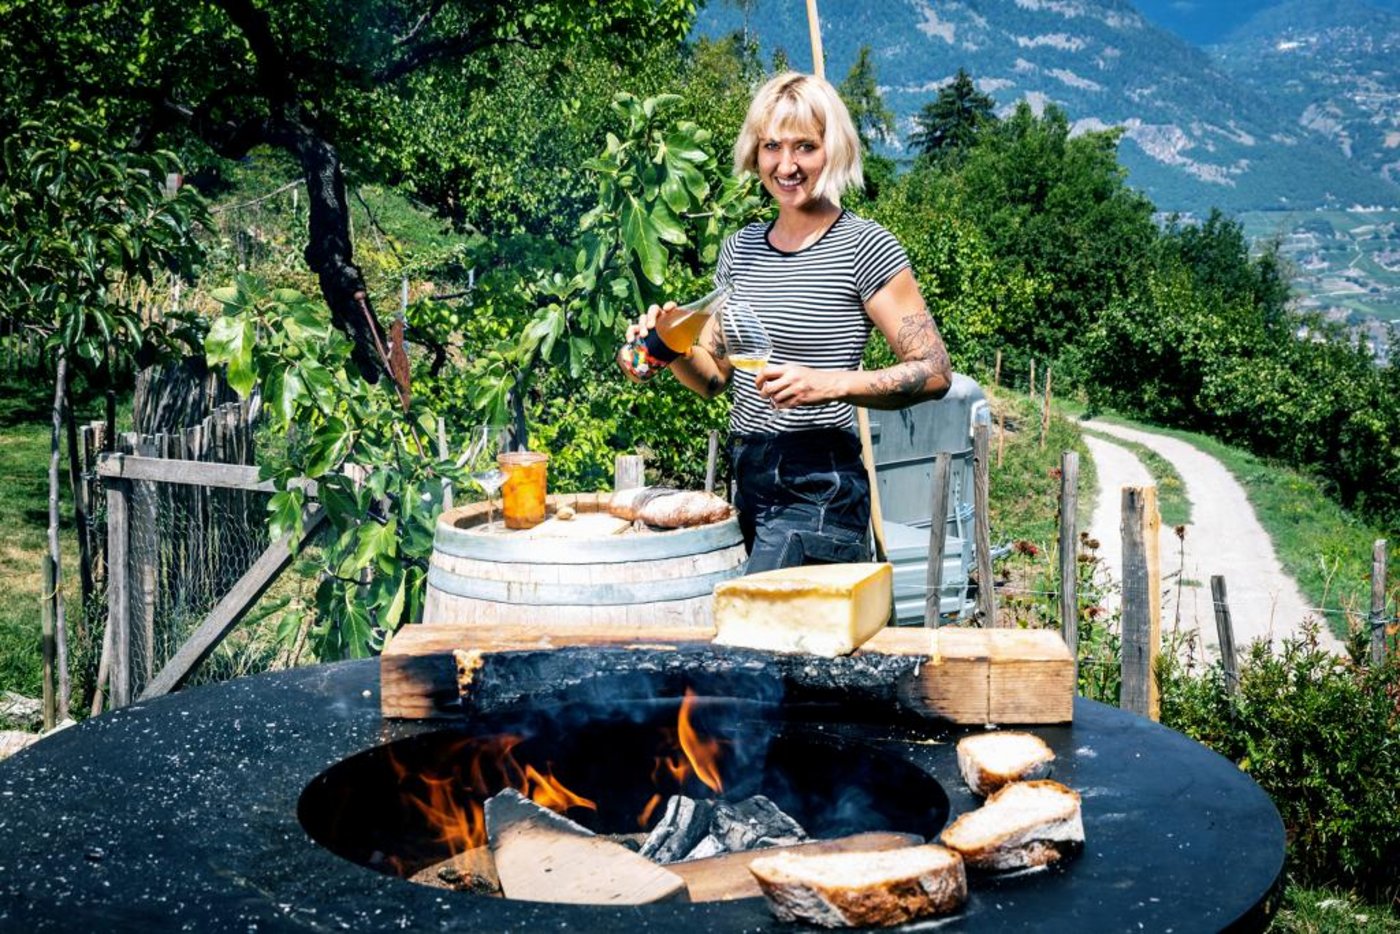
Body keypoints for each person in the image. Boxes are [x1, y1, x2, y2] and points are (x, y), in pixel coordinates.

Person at [624, 72, 952, 572]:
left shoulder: (865, 246)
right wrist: (667, 347)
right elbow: (713, 375)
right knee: (763, 640)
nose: (787, 164)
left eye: (806, 147)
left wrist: (829, 384)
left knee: (757, 631)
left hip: (820, 486)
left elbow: (934, 370)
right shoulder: (741, 249)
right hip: (748, 475)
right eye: (772, 145)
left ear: (833, 150)